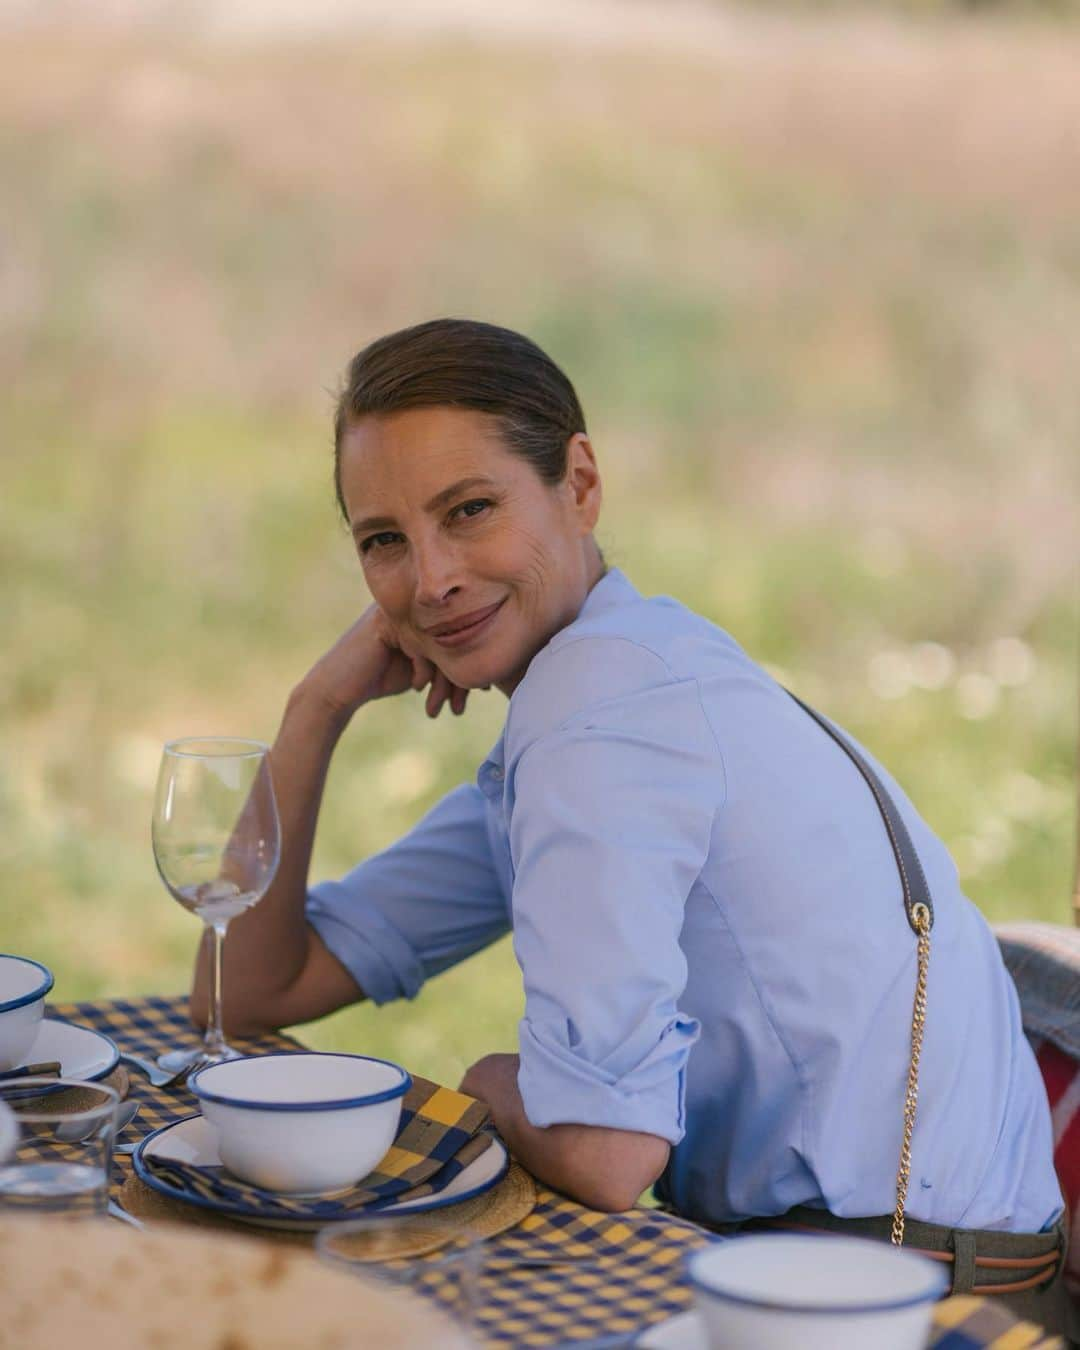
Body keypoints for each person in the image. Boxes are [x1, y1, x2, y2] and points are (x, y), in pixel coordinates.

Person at [190, 318, 1070, 1333]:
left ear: (582, 482)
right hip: (903, 1272)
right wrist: (315, 712)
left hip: (916, 1313)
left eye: (469, 511)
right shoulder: (623, 677)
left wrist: (490, 1084)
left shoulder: (602, 708)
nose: (429, 580)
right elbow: (248, 986)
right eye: (384, 541)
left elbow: (607, 1156)